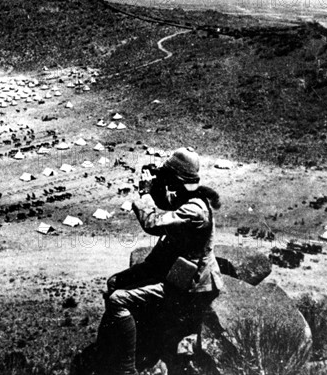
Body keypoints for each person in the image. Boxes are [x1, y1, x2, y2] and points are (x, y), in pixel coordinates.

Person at [72, 146, 223, 375]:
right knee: (115, 281)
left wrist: (144, 194)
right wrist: (155, 188)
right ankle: (111, 346)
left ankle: (126, 368)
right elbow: (167, 203)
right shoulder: (191, 197)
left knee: (117, 300)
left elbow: (153, 224)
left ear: (176, 178)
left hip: (191, 287)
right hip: (179, 274)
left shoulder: (195, 208)